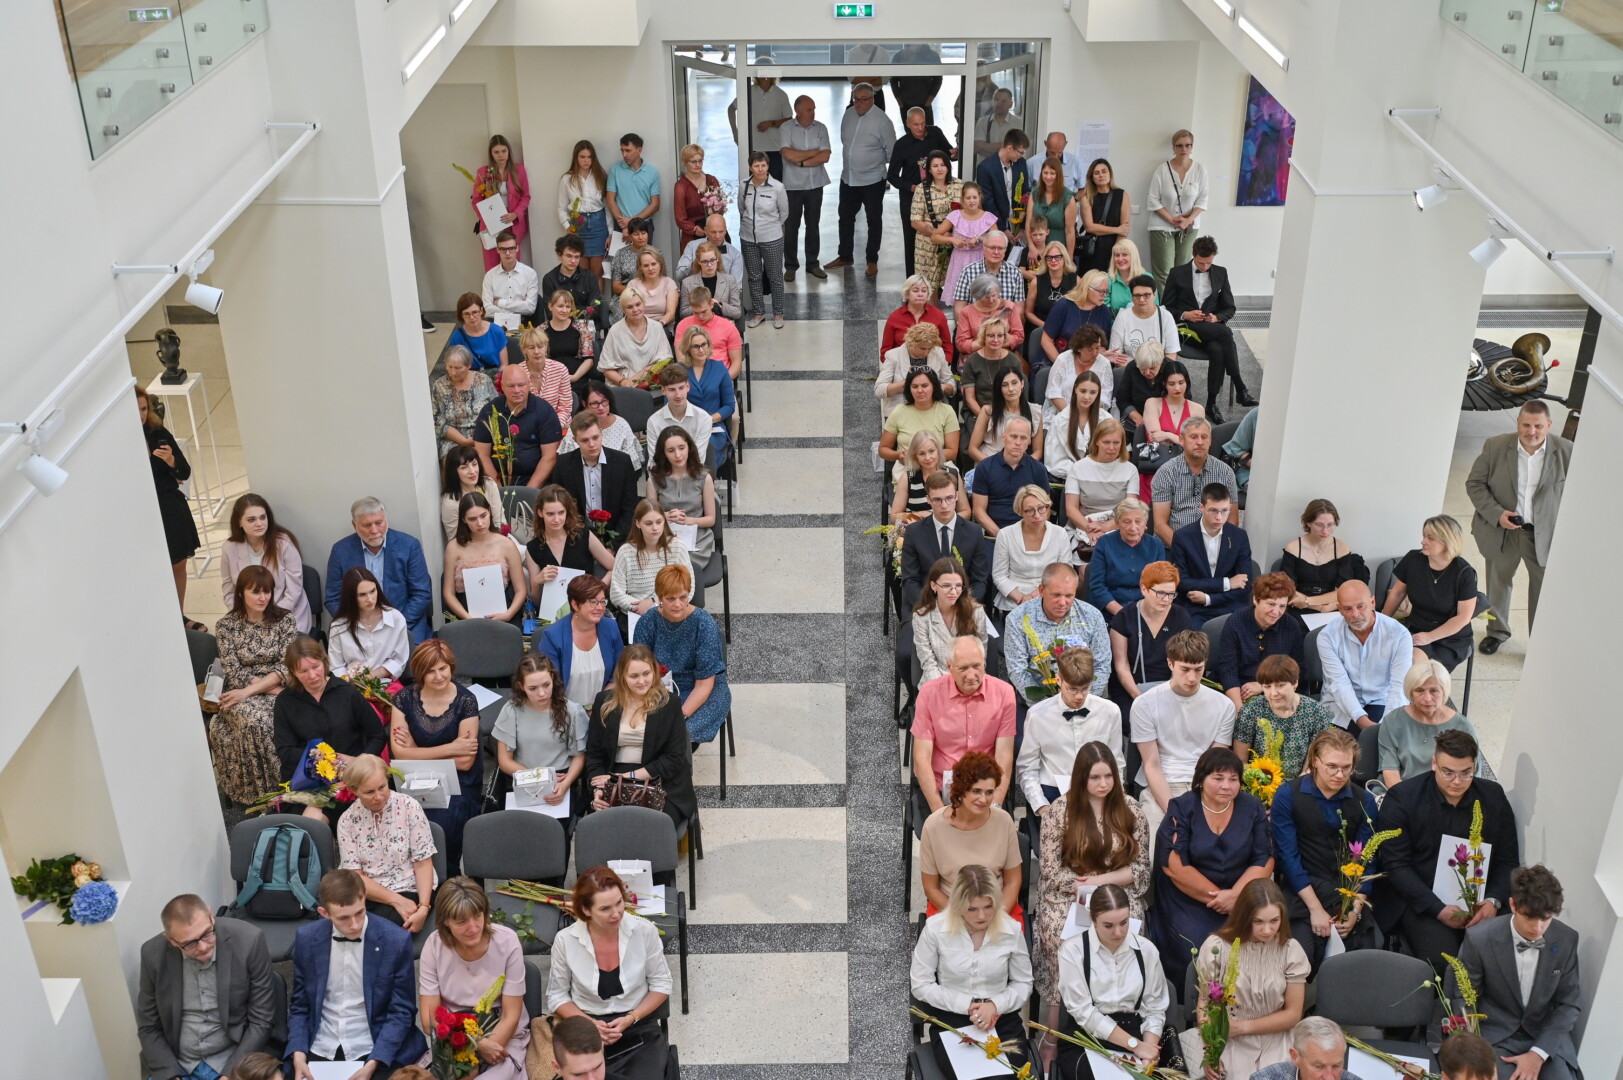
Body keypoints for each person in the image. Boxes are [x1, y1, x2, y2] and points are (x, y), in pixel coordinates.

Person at [1374, 729, 1520, 973]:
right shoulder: (1403, 798)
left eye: (1466, 773)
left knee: (1501, 959)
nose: (1457, 781)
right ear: (1434, 763)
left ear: (1475, 766)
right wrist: (1438, 909)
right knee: (1446, 963)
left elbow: (1507, 860)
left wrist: (1493, 901)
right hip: (1422, 900)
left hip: (1482, 899)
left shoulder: (1493, 797)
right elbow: (1396, 866)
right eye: (1448, 772)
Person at [1149, 749, 1275, 996]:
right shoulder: (1182, 807)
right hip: (1189, 898)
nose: (1226, 786)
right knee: (1198, 945)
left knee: (1255, 940)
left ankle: (1248, 1005)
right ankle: (1192, 1006)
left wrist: (1236, 896)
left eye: (1233, 779)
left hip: (1240, 896)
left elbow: (1265, 858)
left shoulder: (1252, 807)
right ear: (1201, 779)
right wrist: (1220, 898)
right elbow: (1174, 866)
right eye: (1218, 778)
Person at [287, 868, 426, 1079]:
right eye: (344, 918)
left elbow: (402, 1011)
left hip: (375, 1045)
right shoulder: (307, 938)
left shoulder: (395, 940)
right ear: (325, 913)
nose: (354, 925)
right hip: (322, 1042)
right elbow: (300, 1005)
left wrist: (373, 1063)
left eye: (359, 913)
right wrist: (298, 1053)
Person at [1452, 865, 1582, 1080]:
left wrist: (1538, 1053)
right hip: (1494, 1037)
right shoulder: (1479, 938)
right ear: (1512, 904)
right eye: (1529, 917)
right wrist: (1475, 1053)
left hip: (1545, 1038)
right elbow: (1464, 999)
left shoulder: (1567, 939)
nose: (1538, 928)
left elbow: (1569, 1004)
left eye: (1546, 918)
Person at [1464, 399, 1572, 655]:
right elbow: (1474, 484)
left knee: (1542, 589)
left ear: (1549, 425)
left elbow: (1577, 495)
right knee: (1498, 582)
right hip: (1503, 531)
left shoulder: (1567, 451)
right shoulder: (1495, 446)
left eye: (1538, 426)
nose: (1531, 431)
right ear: (1518, 422)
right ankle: (1496, 632)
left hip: (1543, 535)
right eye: (1526, 425)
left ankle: (1539, 643)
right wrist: (1497, 514)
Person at [547, 866, 673, 1080]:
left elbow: (662, 983)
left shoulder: (644, 931)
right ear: (586, 910)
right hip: (584, 1027)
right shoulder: (565, 940)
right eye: (605, 909)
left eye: (619, 903)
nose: (616, 913)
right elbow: (557, 995)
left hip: (637, 1023)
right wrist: (589, 1023)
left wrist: (631, 1018)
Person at [1271, 728, 1379, 974]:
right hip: (1302, 890)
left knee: (1359, 963)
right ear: (1315, 761)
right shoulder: (1289, 794)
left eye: (1346, 767)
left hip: (1346, 892)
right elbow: (1288, 857)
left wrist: (1354, 910)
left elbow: (1367, 861)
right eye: (1332, 766)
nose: (1340, 775)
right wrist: (1315, 909)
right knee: (1301, 958)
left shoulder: (1364, 801)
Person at [911, 863, 1034, 1075]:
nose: (982, 916)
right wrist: (968, 1004)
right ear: (958, 905)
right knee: (970, 1074)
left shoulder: (1011, 929)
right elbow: (920, 984)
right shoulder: (936, 929)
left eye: (988, 907)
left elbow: (1023, 982)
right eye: (972, 909)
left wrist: (995, 1005)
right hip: (952, 1017)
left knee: (1005, 1075)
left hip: (1002, 1018)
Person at [136, 894, 276, 1080]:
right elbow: (149, 1027)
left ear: (211, 916)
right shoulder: (152, 954)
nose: (202, 947)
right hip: (177, 1062)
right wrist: (170, 1075)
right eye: (190, 943)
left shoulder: (249, 940)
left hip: (232, 1059)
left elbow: (261, 1020)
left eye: (207, 934)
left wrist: (231, 1074)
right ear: (171, 940)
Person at [1192, 880, 1311, 1078]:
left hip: (1276, 1039)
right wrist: (1209, 1050)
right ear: (1244, 917)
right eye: (1258, 921)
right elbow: (1205, 1003)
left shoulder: (1290, 950)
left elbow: (1293, 1014)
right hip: (1227, 1041)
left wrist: (1242, 1028)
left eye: (1274, 921)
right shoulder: (1217, 947)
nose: (1267, 930)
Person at [1054, 884, 1173, 1080]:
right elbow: (1083, 1012)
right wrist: (1135, 1045)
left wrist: (1149, 1051)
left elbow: (1155, 1009)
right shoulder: (1072, 951)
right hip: (1087, 1034)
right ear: (1093, 919)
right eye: (1108, 925)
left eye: (1124, 923)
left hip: (1135, 1030)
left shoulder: (1146, 950)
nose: (1118, 932)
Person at [417, 878, 530, 1079]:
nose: (473, 927)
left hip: (501, 1033)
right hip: (452, 1034)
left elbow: (511, 1016)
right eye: (461, 922)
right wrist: (474, 1044)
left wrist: (486, 1048)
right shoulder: (434, 946)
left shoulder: (507, 941)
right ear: (446, 922)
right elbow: (429, 1019)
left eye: (477, 916)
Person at [209, 565, 300, 804]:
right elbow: (233, 671)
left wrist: (255, 689)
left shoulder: (285, 620)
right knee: (256, 722)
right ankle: (266, 796)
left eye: (267, 591)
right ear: (241, 593)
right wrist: (263, 689)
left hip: (275, 688)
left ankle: (290, 790)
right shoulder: (226, 626)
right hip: (243, 692)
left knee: (278, 717)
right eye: (256, 592)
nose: (263, 597)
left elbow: (286, 666)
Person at [1131, 632, 1236, 837]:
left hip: (1205, 784)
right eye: (1185, 669)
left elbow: (1214, 762)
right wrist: (1174, 812)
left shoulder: (1224, 705)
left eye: (1198, 669)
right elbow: (1152, 764)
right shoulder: (1145, 704)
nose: (1192, 678)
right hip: (1161, 786)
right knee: (1156, 845)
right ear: (1170, 664)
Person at [391, 640, 481, 875]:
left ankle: (446, 878)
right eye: (431, 671)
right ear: (420, 673)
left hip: (457, 784)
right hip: (414, 780)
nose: (439, 676)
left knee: (444, 823)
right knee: (402, 821)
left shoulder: (466, 700)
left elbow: (465, 762)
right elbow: (400, 754)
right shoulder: (403, 699)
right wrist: (452, 747)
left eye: (443, 668)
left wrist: (415, 751)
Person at [275, 636, 388, 824]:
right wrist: (319, 759)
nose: (312, 676)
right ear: (293, 672)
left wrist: (358, 761)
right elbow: (285, 750)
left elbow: (377, 735)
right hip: (308, 778)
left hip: (351, 775)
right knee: (312, 820)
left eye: (316, 667)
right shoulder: (285, 701)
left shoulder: (347, 692)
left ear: (324, 662)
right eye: (303, 671)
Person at [585, 644, 697, 830]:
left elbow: (674, 758)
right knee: (606, 828)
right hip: (614, 773)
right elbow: (594, 754)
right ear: (622, 676)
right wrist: (598, 790)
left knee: (649, 828)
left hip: (660, 778)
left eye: (646, 673)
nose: (642, 681)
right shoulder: (603, 701)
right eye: (634, 676)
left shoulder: (670, 704)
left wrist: (625, 778)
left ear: (654, 671)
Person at [912, 636, 1017, 812]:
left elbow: (1004, 756)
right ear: (949, 667)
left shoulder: (1004, 693)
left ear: (984, 663)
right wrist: (938, 811)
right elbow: (921, 757)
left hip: (986, 790)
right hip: (942, 788)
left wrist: (995, 806)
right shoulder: (929, 693)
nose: (971, 675)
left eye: (977, 666)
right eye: (963, 668)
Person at [337, 754, 436, 930]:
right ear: (354, 790)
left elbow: (422, 863)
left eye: (382, 787)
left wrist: (424, 907)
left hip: (409, 888)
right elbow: (355, 876)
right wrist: (396, 900)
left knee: (371, 931)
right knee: (339, 925)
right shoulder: (347, 821)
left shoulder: (409, 807)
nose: (379, 797)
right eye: (369, 792)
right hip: (365, 893)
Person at [633, 564, 729, 744]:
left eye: (683, 597)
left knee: (679, 733)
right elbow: (639, 671)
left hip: (703, 688)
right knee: (645, 729)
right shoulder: (647, 622)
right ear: (659, 597)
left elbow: (704, 684)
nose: (678, 604)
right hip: (660, 688)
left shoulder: (704, 624)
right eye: (670, 598)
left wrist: (680, 717)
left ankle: (675, 757)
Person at [919, 753, 1023, 915]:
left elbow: (1013, 881)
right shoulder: (933, 826)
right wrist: (962, 917)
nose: (983, 799)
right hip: (951, 909)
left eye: (989, 792)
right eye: (976, 791)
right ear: (961, 789)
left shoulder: (1004, 821)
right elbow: (931, 888)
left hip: (997, 909)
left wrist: (996, 916)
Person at [1019, 651, 1124, 811]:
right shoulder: (1037, 715)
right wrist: (1041, 806)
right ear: (1058, 680)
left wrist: (1116, 801)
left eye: (1085, 688)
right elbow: (1027, 768)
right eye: (1072, 689)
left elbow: (1117, 762)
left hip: (1100, 792)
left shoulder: (1110, 711)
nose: (1079, 696)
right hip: (1053, 794)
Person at [1163, 236, 1251, 422]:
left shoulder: (1221, 273)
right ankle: (1240, 387)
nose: (1204, 267)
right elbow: (1166, 308)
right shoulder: (1177, 273)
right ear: (1193, 255)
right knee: (1226, 333)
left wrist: (1217, 317)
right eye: (1201, 263)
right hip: (1186, 328)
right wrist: (1186, 314)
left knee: (1218, 350)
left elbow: (1230, 307)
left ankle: (1211, 404)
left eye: (1208, 263)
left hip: (1211, 329)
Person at [136, 387, 203, 627]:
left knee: (178, 564)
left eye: (144, 408)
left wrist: (171, 460)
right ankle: (159, 618)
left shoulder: (157, 432)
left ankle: (178, 616)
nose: (142, 415)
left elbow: (184, 471)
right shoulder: (118, 444)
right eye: (136, 410)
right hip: (141, 511)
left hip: (169, 506)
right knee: (150, 566)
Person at [325, 498, 432, 646]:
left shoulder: (409, 546)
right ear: (354, 525)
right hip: (358, 628)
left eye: (379, 523)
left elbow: (421, 594)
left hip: (406, 623)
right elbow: (333, 599)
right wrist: (357, 625)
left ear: (386, 520)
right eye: (367, 525)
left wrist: (397, 625)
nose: (374, 531)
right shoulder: (341, 551)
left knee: (416, 657)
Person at [1382, 514, 1479, 671]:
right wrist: (1382, 623)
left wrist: (1430, 637)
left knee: (1418, 669)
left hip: (1450, 636)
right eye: (1424, 536)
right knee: (1397, 661)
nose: (1423, 541)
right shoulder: (1413, 559)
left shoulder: (1464, 573)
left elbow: (1463, 618)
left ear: (1447, 541)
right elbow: (1397, 593)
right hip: (1417, 627)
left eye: (1430, 538)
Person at [494, 654, 588, 813]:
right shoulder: (511, 710)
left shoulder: (572, 711)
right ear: (521, 686)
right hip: (522, 775)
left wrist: (565, 785)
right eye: (533, 688)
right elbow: (504, 760)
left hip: (560, 778)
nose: (542, 693)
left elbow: (579, 756)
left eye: (546, 685)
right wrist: (539, 778)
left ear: (553, 678)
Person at [1003, 563, 1112, 698]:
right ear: (1041, 590)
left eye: (1069, 596)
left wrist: (1081, 699)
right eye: (1056, 595)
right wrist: (1047, 705)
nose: (1062, 602)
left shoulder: (1092, 616)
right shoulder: (1017, 619)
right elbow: (1018, 670)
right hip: (1040, 700)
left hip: (1084, 698)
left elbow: (1102, 666)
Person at [1319, 581, 1413, 731]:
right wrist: (1362, 721)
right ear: (1339, 609)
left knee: (1385, 740)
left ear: (1372, 602)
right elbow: (1339, 684)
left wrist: (1387, 726)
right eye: (1348, 609)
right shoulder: (1327, 636)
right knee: (1338, 744)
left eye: (1360, 606)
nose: (1355, 614)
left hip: (1382, 701)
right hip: (1340, 706)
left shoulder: (1399, 634)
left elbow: (1399, 686)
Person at [826, 83, 895, 277]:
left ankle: (872, 260)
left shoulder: (883, 121)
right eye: (855, 99)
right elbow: (845, 140)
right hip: (848, 178)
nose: (857, 103)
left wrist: (873, 161)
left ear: (872, 99)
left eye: (862, 100)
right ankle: (845, 256)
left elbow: (892, 151)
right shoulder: (848, 114)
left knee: (873, 220)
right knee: (845, 217)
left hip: (873, 180)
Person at [1109, 561, 1194, 717]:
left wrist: (1171, 696)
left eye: (1171, 594)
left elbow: (1184, 662)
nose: (1166, 599)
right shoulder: (1124, 618)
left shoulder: (1181, 617)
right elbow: (1121, 666)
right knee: (1132, 720)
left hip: (1171, 687)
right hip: (1131, 688)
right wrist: (1139, 698)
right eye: (1160, 593)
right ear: (1144, 589)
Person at [1378, 661, 1480, 788]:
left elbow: (1472, 776)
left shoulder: (1464, 727)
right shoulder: (1392, 721)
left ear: (1444, 692)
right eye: (1419, 690)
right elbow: (1390, 773)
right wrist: (1407, 799)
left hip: (1448, 792)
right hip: (1399, 791)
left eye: (1434, 691)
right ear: (1410, 692)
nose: (1427, 698)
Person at [1215, 573, 1307, 711]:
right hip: (1235, 691)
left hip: (1275, 693)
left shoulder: (1291, 626)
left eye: (1282, 606)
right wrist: (1239, 710)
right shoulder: (1236, 621)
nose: (1276, 612)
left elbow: (1297, 671)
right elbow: (1228, 670)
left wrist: (1263, 686)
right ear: (1256, 600)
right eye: (1271, 604)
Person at [222, 492, 311, 632]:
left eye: (263, 517)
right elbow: (229, 590)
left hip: (285, 614)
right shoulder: (229, 547)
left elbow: (294, 591)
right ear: (239, 522)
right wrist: (243, 616)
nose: (259, 524)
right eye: (251, 520)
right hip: (247, 618)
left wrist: (269, 618)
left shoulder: (283, 543)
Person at [1235, 655, 1335, 779]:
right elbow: (1241, 762)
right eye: (1267, 687)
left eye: (1280, 685)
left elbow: (1312, 765)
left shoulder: (1316, 712)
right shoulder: (1251, 711)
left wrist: (1295, 787)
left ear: (1295, 683)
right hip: (1258, 782)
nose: (1274, 693)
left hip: (1301, 783)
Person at [553, 410, 639, 550]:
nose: (592, 444)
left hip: (617, 535)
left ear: (601, 433)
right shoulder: (564, 464)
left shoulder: (622, 462)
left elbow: (629, 508)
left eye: (595, 437)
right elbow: (561, 507)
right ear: (575, 440)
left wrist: (613, 546)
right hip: (577, 537)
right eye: (585, 440)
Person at [1169, 482, 1251, 625]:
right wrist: (1227, 583)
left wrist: (1209, 599)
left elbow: (1245, 584)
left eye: (1224, 511)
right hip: (1194, 606)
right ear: (1201, 507)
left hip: (1230, 605)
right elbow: (1182, 582)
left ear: (1230, 507)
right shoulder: (1182, 537)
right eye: (1213, 510)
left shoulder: (1239, 536)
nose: (1219, 517)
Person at [472, 361, 564, 490]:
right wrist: (498, 490)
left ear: (529, 384)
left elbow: (549, 457)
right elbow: (482, 454)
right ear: (502, 386)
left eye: (521, 385)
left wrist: (528, 491)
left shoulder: (545, 411)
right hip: (498, 481)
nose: (517, 390)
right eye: (511, 386)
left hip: (536, 484)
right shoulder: (489, 411)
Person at [902, 472, 988, 608]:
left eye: (949, 498)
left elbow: (980, 580)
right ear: (928, 499)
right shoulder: (914, 532)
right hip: (925, 604)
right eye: (937, 500)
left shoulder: (974, 532)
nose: (944, 505)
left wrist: (963, 605)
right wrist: (932, 607)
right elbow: (910, 580)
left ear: (957, 496)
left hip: (963, 605)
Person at [540, 575, 626, 711]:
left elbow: (619, 669)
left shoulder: (610, 627)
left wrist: (598, 707)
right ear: (575, 605)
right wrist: (576, 714)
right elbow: (551, 684)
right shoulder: (553, 636)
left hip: (604, 706)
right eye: (593, 602)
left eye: (603, 601)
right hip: (564, 710)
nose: (600, 607)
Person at [888, 107, 956, 277]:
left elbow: (949, 155)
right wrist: (912, 187)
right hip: (912, 196)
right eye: (915, 125)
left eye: (923, 124)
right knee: (911, 239)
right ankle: (913, 281)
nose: (920, 128)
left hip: (937, 196)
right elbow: (892, 176)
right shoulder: (902, 145)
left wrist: (955, 153)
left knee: (939, 234)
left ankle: (939, 278)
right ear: (907, 124)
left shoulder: (935, 134)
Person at [1150, 417, 1237, 547]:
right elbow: (1160, 525)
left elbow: (1232, 520)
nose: (1200, 442)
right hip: (1173, 547)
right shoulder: (1166, 472)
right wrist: (1187, 551)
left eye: (1204, 437)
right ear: (1181, 440)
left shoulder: (1225, 472)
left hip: (1213, 547)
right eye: (1194, 437)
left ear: (1210, 440)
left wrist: (1213, 549)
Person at [442, 491, 526, 624]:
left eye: (483, 516)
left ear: (490, 512)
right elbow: (448, 593)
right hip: (465, 612)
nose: (480, 523)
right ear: (464, 520)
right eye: (472, 519)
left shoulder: (507, 544)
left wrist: (508, 615)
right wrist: (468, 618)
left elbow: (520, 590)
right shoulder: (454, 547)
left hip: (503, 611)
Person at [524, 485, 615, 598]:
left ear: (567, 511)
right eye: (550, 514)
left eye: (561, 512)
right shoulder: (533, 548)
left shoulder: (583, 535)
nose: (556, 519)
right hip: (552, 607)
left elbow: (614, 567)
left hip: (586, 603)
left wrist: (598, 590)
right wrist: (537, 581)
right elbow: (536, 600)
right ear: (540, 513)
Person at [648, 426, 718, 572]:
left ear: (689, 448)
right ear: (664, 453)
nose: (678, 455)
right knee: (662, 565)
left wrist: (688, 520)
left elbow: (711, 519)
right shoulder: (654, 479)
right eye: (671, 450)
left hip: (696, 537)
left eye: (681, 448)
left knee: (683, 567)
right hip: (664, 535)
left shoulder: (704, 478)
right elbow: (649, 517)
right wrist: (665, 516)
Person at [1282, 499, 1371, 613]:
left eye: (1330, 525)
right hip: (1298, 606)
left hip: (1330, 607)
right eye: (1319, 525)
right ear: (1308, 523)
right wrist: (1317, 607)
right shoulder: (1293, 548)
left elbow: (1342, 590)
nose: (1325, 531)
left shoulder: (1342, 549)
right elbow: (1288, 589)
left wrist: (1310, 602)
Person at [991, 488, 1073, 613]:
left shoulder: (1060, 533)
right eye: (1030, 511)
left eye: (1041, 508)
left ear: (1048, 507)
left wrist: (1034, 596)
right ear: (1020, 511)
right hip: (1014, 601)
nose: (1037, 515)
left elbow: (1064, 573)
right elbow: (999, 576)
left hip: (1050, 597)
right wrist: (1021, 599)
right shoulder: (1005, 535)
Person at [913, 557, 992, 684]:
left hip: (971, 680)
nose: (954, 592)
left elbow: (981, 657)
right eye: (946, 586)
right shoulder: (921, 616)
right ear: (933, 586)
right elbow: (928, 663)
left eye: (958, 586)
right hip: (936, 681)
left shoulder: (976, 611)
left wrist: (966, 684)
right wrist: (946, 688)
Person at [1145, 131, 1209, 281]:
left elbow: (1202, 200)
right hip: (1162, 226)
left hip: (1189, 227)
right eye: (1179, 146)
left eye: (1187, 145)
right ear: (1173, 148)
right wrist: (1171, 219)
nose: (1183, 149)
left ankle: (1180, 297)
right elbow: (1153, 200)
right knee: (1164, 272)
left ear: (1192, 147)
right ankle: (1163, 298)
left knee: (1183, 270)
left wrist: (1188, 220)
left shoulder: (1200, 169)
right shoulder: (1162, 170)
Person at [1066, 418, 1139, 550]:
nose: (1111, 448)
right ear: (1097, 441)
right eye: (1106, 442)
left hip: (1118, 526)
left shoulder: (1131, 470)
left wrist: (1104, 528)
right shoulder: (1077, 468)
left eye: (1116, 443)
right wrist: (1089, 528)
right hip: (1083, 527)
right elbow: (1071, 508)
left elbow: (1130, 509)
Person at [1088, 498, 1168, 617]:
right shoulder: (1104, 543)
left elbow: (1160, 585)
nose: (1133, 527)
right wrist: (1123, 614)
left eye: (1138, 521)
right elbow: (1097, 586)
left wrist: (1144, 614)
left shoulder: (1156, 545)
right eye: (1127, 522)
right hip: (1111, 612)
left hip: (1147, 611)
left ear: (1145, 523)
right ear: (1117, 523)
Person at [781, 94, 832, 281]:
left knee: (813, 226)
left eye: (813, 109)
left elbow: (825, 156)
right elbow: (788, 155)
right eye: (809, 109)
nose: (813, 113)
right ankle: (790, 266)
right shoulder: (786, 128)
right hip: (792, 187)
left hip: (815, 185)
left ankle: (812, 264)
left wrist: (801, 161)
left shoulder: (821, 128)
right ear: (798, 111)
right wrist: (813, 153)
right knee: (791, 227)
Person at [328, 567, 411, 682]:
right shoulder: (338, 626)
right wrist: (351, 682)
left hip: (386, 682)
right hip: (350, 685)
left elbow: (399, 660)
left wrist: (372, 676)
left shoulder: (396, 618)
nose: (370, 599)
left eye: (373, 591)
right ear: (351, 597)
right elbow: (336, 667)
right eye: (362, 595)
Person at [612, 501, 693, 616]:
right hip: (637, 613)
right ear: (638, 523)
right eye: (648, 523)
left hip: (672, 611)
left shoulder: (677, 547)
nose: (655, 528)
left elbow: (689, 587)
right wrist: (639, 606)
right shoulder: (626, 552)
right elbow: (616, 594)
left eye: (659, 522)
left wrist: (656, 603)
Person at [973, 417, 1049, 537]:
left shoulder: (1038, 469)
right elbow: (979, 511)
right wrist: (1002, 536)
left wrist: (1026, 536)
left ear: (1029, 441)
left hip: (1028, 533)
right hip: (994, 534)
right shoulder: (984, 467)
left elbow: (1045, 508)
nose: (1018, 442)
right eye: (1013, 436)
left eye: (1023, 438)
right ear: (1003, 437)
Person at [739, 151, 789, 329]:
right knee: (754, 277)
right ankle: (759, 312)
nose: (760, 169)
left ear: (768, 166)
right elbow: (741, 208)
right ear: (750, 167)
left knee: (775, 277)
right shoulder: (744, 185)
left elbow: (784, 213)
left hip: (772, 238)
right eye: (756, 166)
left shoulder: (777, 187)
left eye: (763, 165)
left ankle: (778, 313)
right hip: (748, 238)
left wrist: (770, 226)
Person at [673, 324, 737, 463]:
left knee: (704, 447)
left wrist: (709, 419)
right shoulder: (678, 371)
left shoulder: (720, 369)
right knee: (679, 449)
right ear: (688, 349)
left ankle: (704, 476)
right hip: (684, 426)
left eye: (704, 344)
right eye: (696, 346)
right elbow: (669, 403)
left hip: (713, 427)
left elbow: (729, 406)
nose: (701, 350)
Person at [880, 368, 960, 472]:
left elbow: (952, 452)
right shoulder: (899, 411)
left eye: (925, 386)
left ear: (934, 387)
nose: (920, 390)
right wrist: (899, 455)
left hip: (938, 471)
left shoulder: (947, 411)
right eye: (914, 386)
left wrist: (924, 457)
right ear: (909, 389)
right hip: (906, 471)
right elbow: (883, 449)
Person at [910, 151, 965, 297]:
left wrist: (952, 234)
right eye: (935, 166)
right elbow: (915, 221)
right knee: (929, 285)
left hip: (955, 240)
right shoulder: (922, 189)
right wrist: (939, 234)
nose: (939, 169)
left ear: (948, 167)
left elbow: (967, 211)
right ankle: (931, 312)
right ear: (929, 169)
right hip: (928, 243)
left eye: (943, 165)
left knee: (957, 283)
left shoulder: (959, 185)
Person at [431, 345, 499, 460]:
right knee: (458, 462)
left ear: (469, 365)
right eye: (450, 367)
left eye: (458, 368)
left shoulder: (484, 380)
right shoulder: (439, 386)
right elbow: (438, 421)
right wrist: (464, 441)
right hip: (453, 441)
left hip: (484, 438)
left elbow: (496, 410)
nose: (453, 372)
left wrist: (484, 438)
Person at [933, 183, 997, 305]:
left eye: (974, 197)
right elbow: (935, 236)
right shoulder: (955, 216)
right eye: (968, 198)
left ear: (980, 197)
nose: (972, 201)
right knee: (959, 299)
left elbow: (997, 241)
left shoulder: (988, 217)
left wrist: (979, 238)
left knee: (980, 297)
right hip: (959, 260)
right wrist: (952, 240)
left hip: (980, 259)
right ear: (962, 199)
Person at [877, 322, 955, 422]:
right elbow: (879, 390)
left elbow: (951, 386)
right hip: (900, 413)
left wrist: (939, 387)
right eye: (922, 348)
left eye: (930, 348)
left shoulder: (938, 352)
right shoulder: (893, 355)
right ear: (911, 343)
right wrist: (909, 385)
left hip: (932, 412)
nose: (926, 352)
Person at [597, 288, 673, 389]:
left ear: (643, 303)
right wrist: (623, 381)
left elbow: (665, 361)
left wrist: (640, 377)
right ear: (623, 309)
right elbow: (606, 368)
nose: (635, 310)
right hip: (622, 388)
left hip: (652, 385)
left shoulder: (657, 327)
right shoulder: (614, 331)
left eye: (638, 304)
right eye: (629, 307)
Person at [561, 381, 645, 472]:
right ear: (585, 404)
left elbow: (632, 466)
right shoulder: (576, 425)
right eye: (595, 403)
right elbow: (567, 464)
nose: (601, 408)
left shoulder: (622, 425)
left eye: (604, 401)